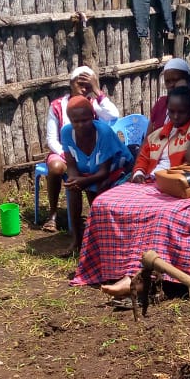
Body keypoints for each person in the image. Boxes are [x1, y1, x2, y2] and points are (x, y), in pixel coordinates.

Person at [70, 86, 190, 298]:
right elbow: (142, 158)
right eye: (172, 111)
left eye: (182, 112)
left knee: (160, 214)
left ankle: (139, 277)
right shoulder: (157, 135)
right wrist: (139, 172)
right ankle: (110, 269)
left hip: (177, 184)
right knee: (103, 203)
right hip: (148, 184)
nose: (176, 116)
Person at [42, 66, 120, 233]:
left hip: (89, 155)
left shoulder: (92, 104)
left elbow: (114, 115)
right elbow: (52, 139)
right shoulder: (57, 106)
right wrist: (68, 155)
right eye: (80, 84)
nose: (84, 89)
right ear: (71, 83)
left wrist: (97, 91)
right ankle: (53, 214)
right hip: (63, 153)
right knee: (56, 167)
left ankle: (95, 218)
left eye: (88, 85)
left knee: (88, 175)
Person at [59, 95, 133, 257]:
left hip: (117, 171)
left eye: (85, 120)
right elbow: (71, 165)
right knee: (72, 189)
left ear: (93, 116)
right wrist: (74, 180)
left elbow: (104, 172)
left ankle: (102, 239)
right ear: (70, 120)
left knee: (101, 190)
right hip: (90, 172)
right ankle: (76, 240)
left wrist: (83, 181)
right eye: (75, 121)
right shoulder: (66, 132)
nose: (80, 125)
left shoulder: (103, 133)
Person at [147, 58, 190, 133]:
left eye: (176, 80)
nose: (171, 85)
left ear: (187, 80)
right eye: (168, 81)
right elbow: (148, 136)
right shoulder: (161, 103)